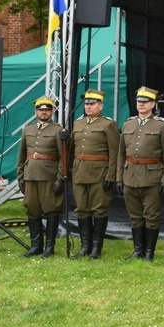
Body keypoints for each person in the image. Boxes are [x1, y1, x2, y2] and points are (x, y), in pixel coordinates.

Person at [116, 87, 164, 262]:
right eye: (139, 101)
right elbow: (120, 154)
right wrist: (119, 178)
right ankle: (138, 250)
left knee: (151, 216)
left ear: (153, 104)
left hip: (151, 177)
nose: (141, 104)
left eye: (145, 101)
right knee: (134, 215)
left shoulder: (161, 125)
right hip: (129, 176)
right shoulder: (128, 123)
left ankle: (149, 251)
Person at [69, 89, 120, 260]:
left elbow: (115, 152)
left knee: (99, 210)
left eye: (92, 104)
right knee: (82, 209)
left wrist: (111, 176)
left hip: (100, 172)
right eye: (87, 104)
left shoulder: (108, 124)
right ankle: (85, 246)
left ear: (101, 105)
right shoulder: (78, 123)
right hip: (80, 172)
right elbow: (71, 150)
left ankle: (97, 247)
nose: (89, 107)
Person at [16, 96, 66, 258]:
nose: (43, 112)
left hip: (49, 176)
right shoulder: (28, 130)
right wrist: (20, 176)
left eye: (47, 110)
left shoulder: (59, 130)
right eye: (40, 109)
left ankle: (49, 247)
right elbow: (22, 155)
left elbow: (63, 157)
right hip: (30, 175)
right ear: (36, 111)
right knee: (32, 210)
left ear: (52, 111)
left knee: (51, 209)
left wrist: (60, 178)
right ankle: (36, 245)